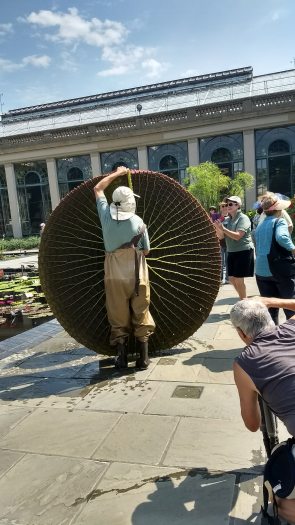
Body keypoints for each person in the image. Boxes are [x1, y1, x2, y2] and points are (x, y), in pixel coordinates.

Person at [230, 297, 295, 524]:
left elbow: (252, 424)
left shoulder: (244, 363)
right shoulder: (292, 327)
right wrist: (270, 300)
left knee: (283, 507)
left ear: (241, 333)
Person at [93, 166, 155, 369]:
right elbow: (146, 252)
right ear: (132, 203)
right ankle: (143, 358)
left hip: (114, 275)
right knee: (141, 312)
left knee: (117, 314)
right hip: (138, 274)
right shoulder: (139, 223)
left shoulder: (105, 217)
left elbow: (98, 189)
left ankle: (121, 358)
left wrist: (117, 174)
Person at [253, 192, 295, 325]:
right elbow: (282, 237)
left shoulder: (259, 225)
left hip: (261, 271)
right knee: (290, 306)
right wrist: (293, 249)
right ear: (278, 210)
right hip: (279, 270)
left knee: (270, 309)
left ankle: (272, 339)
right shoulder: (279, 221)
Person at [214, 196, 254, 299]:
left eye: (231, 204)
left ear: (238, 206)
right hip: (231, 251)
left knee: (238, 279)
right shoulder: (227, 220)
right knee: (231, 279)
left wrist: (223, 228)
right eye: (227, 204)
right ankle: (243, 298)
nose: (228, 206)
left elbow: (237, 236)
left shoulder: (243, 218)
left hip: (243, 251)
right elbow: (221, 236)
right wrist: (218, 229)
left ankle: (244, 301)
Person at [219, 201, 229, 284]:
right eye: (222, 206)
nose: (224, 207)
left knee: (228, 261)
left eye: (226, 205)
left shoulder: (231, 217)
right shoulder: (218, 218)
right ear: (220, 208)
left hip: (229, 243)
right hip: (220, 242)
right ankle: (220, 279)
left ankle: (228, 279)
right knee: (221, 262)